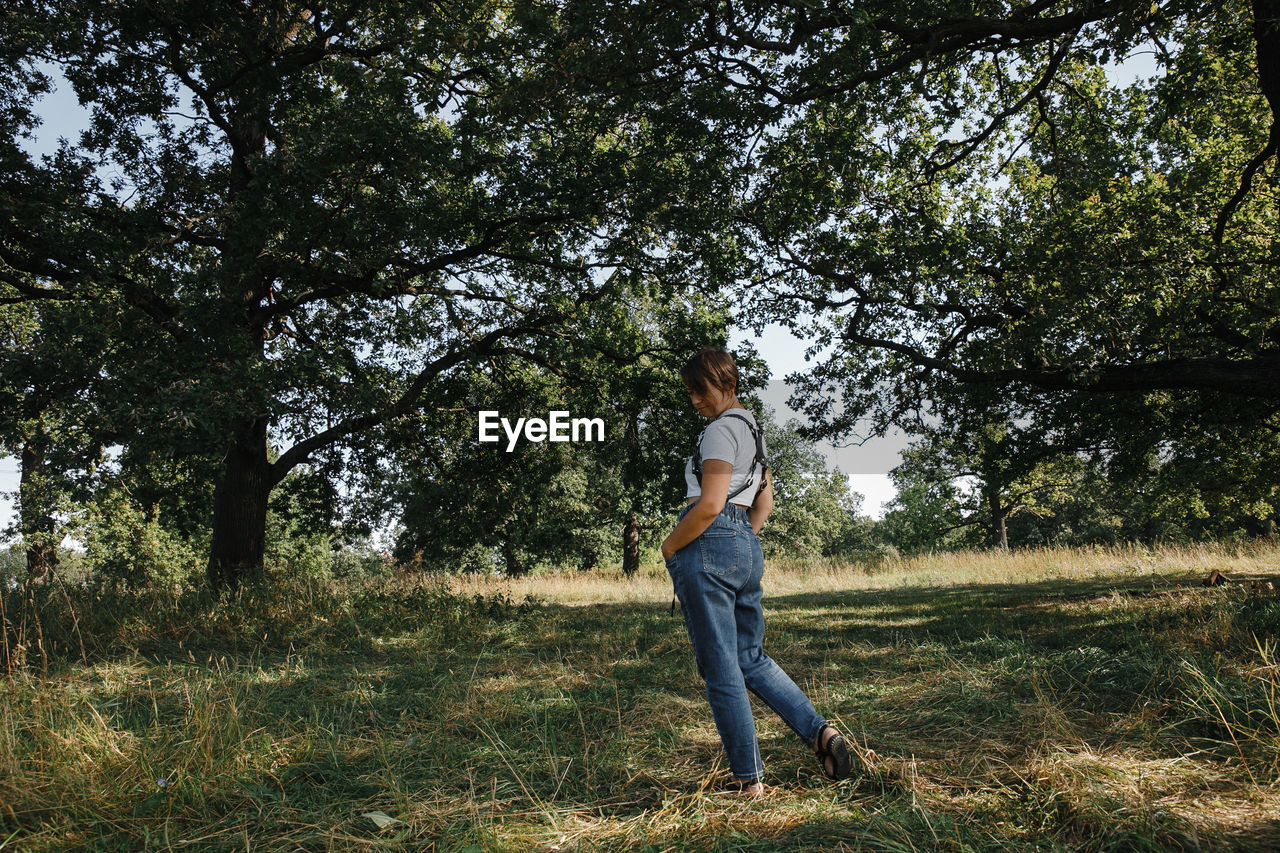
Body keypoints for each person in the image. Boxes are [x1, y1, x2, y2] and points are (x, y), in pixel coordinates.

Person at [660, 348, 852, 798]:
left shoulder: (719, 432)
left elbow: (709, 504)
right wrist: (740, 539)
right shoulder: (754, 434)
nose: (694, 400)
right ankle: (821, 733)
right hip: (745, 544)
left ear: (728, 384)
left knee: (722, 668)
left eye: (700, 390)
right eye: (689, 392)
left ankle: (747, 780)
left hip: (708, 543)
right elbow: (762, 503)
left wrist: (671, 545)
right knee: (750, 658)